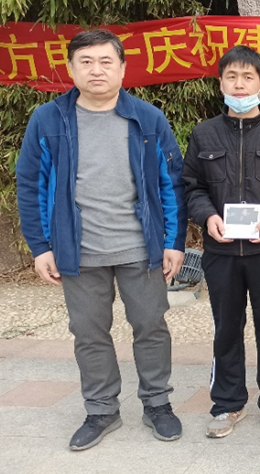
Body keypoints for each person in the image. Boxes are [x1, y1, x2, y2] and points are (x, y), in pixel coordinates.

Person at [16, 29, 186, 450]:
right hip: (78, 249)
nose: (97, 70)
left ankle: (158, 404)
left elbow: (171, 183)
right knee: (89, 332)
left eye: (106, 61)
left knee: (151, 326)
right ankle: (101, 409)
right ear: (71, 68)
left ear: (123, 68)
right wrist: (41, 246)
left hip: (140, 246)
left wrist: (173, 241)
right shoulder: (49, 119)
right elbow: (31, 185)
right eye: (86, 61)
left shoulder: (147, 118)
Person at [181, 45, 260, 438]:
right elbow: (192, 187)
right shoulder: (204, 134)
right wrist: (208, 216)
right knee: (226, 328)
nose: (239, 84)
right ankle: (227, 403)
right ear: (220, 83)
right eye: (232, 77)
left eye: (248, 77)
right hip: (221, 252)